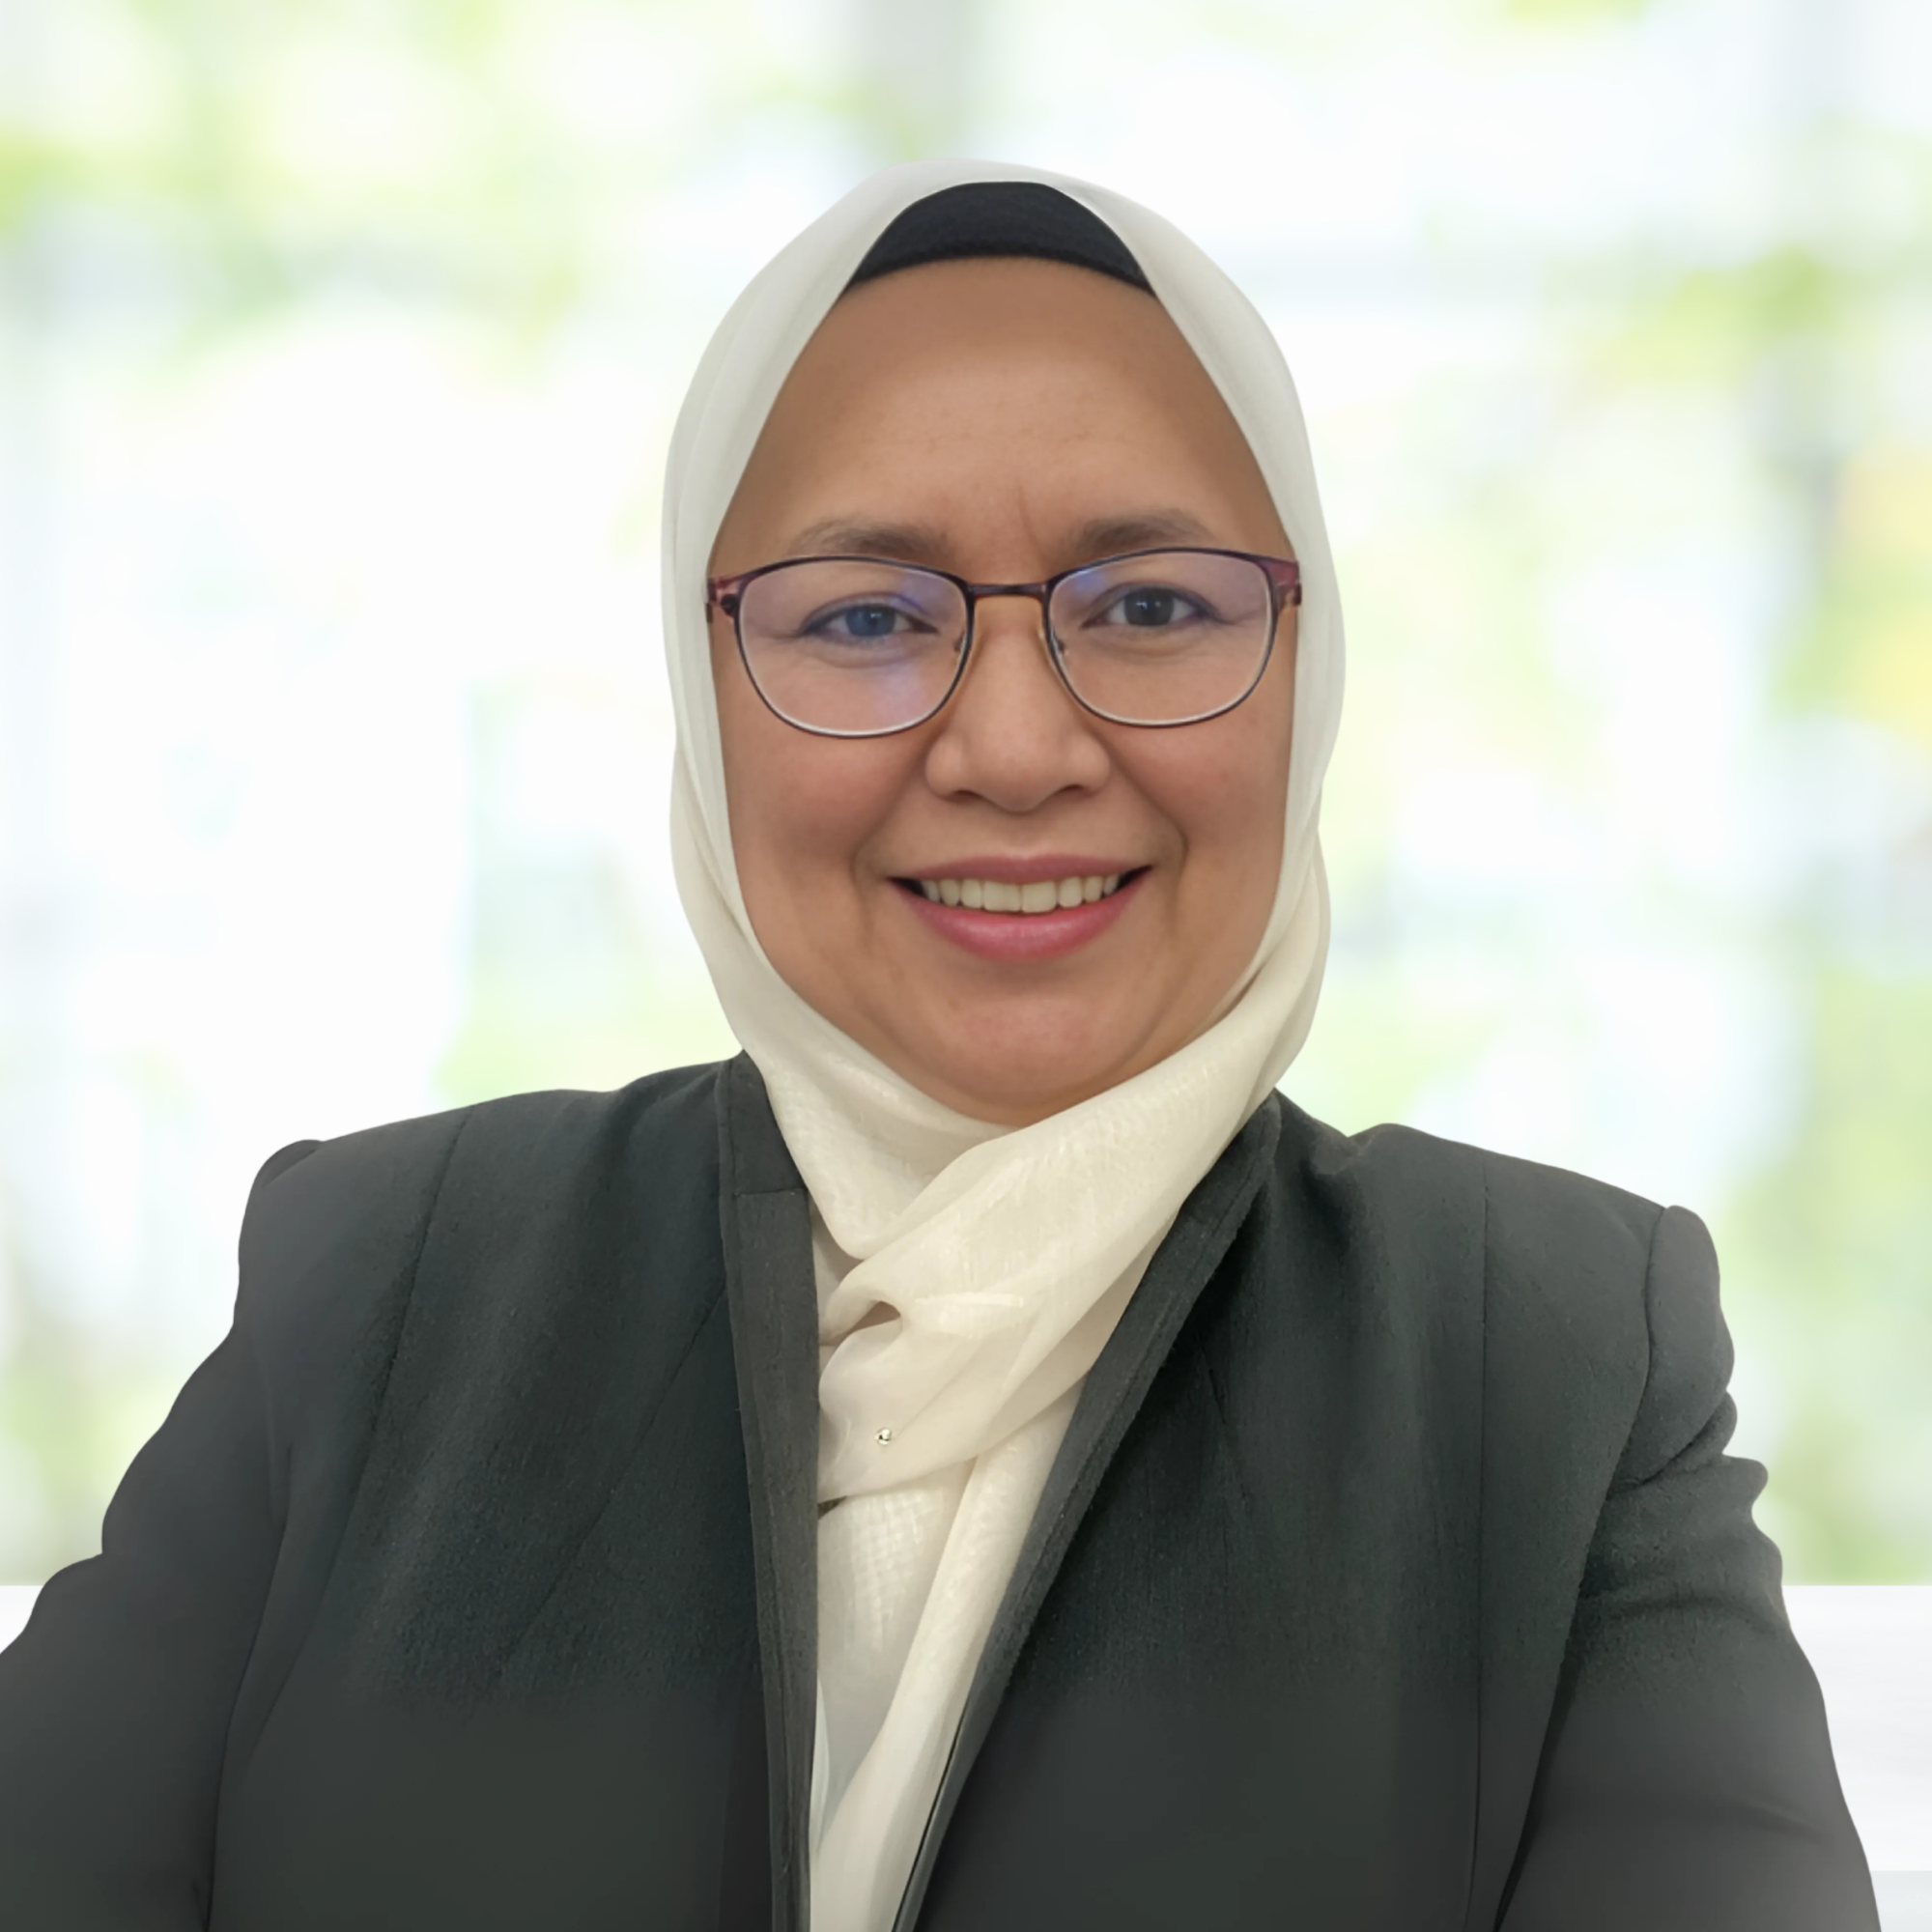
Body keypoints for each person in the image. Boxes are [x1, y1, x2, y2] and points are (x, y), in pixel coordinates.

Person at [0, 162, 1880, 1932]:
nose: (1009, 745)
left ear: (1304, 663)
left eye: (1148, 606)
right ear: (699, 683)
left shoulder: (1546, 1354)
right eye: (864, 615)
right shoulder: (382, 1282)